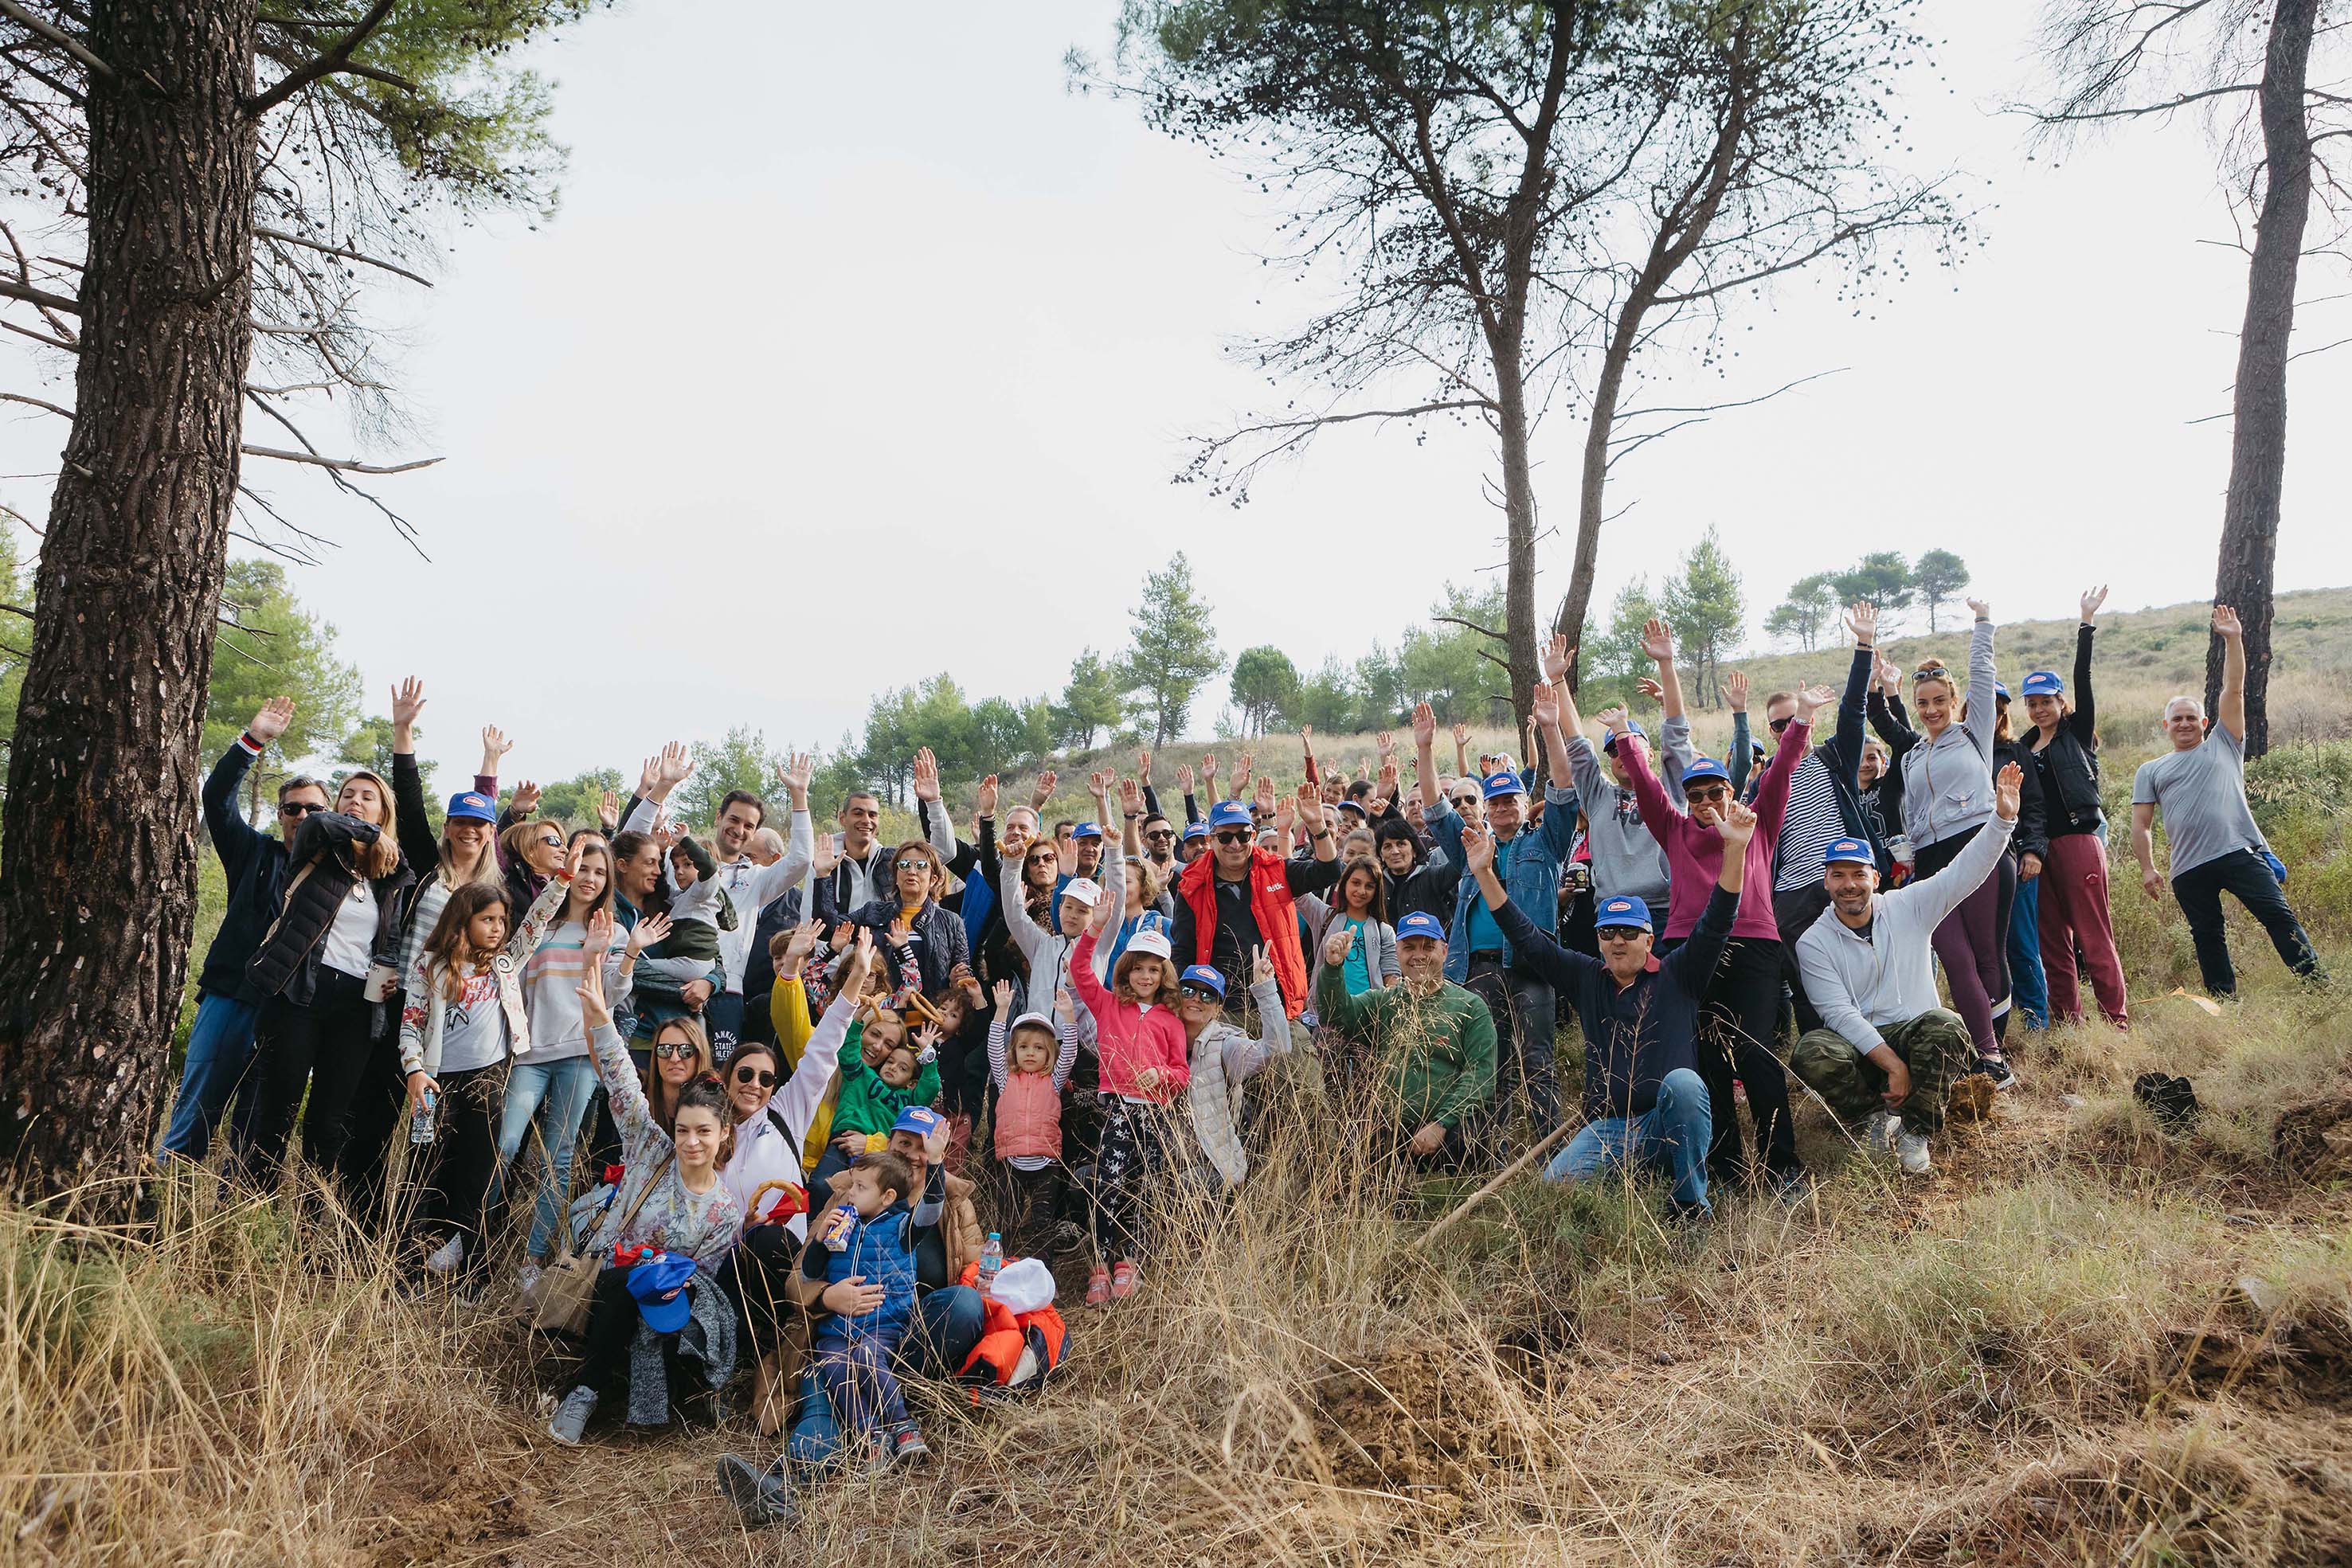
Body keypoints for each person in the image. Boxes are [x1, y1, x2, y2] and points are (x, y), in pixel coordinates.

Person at [1461, 800, 1753, 1220]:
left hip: (1666, 1122)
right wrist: (1486, 874)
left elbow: (1719, 918)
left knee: (1686, 1085)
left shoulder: (1680, 974)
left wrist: (1737, 850)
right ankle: (1631, 1179)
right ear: (1597, 940)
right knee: (1554, 1186)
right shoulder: (1587, 978)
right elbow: (1527, 938)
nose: (1619, 941)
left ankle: (1690, 1202)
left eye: (1630, 933)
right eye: (1608, 932)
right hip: (1610, 1129)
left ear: (1649, 940)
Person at [1607, 673, 1824, 1198]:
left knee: (1754, 1052)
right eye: (1696, 794)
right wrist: (1624, 737)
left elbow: (1781, 771)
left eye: (1714, 791)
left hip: (1753, 943)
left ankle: (1781, 1166)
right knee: (1705, 1057)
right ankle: (1725, 1168)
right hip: (1687, 948)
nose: (1705, 801)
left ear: (1731, 790)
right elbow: (1647, 786)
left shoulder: (1755, 822)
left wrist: (1801, 718)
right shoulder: (1676, 829)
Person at [1791, 763, 2026, 1176]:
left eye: (1858, 875)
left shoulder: (1909, 906)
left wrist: (2002, 819)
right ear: (1825, 882)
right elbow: (1839, 1015)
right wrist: (1893, 1066)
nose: (1850, 885)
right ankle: (1874, 1119)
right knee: (1813, 1051)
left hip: (1918, 1036)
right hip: (1864, 1049)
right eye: (1839, 876)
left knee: (1948, 1024)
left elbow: (1963, 873)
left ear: (1875, 878)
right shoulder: (1813, 942)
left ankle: (1917, 1129)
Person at [548, 963, 742, 1445]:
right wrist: (599, 1015)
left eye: (703, 1132)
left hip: (666, 1307)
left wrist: (667, 1278)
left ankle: (653, 1402)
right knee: (622, 1284)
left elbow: (704, 1278)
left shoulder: (724, 1210)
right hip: (608, 1287)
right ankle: (585, 1393)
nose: (691, 1142)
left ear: (722, 1135)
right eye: (683, 1130)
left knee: (672, 1298)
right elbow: (622, 1083)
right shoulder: (650, 1148)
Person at [2132, 604, 2327, 997]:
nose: (2185, 724)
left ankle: (2320, 988)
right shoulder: (2151, 770)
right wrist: (2148, 868)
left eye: (2192, 718)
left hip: (2238, 852)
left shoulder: (2224, 743)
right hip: (2188, 867)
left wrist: (2234, 639)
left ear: (2205, 723)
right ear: (2166, 726)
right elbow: (2142, 826)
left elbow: (2233, 689)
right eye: (2177, 719)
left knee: (2277, 915)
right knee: (2207, 936)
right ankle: (2226, 1005)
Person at [1414, 695, 1578, 1148]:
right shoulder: (1468, 843)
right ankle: (1491, 1153)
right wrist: (1426, 750)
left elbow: (1564, 789)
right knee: (1489, 1063)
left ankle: (1554, 1157)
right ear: (1485, 808)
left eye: (1511, 799)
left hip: (1530, 965)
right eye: (1496, 801)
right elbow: (1434, 808)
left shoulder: (1546, 843)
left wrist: (1550, 729)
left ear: (1526, 803)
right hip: (1477, 970)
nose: (1504, 807)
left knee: (1538, 1061)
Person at [165, 698, 324, 1162]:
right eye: (292, 809)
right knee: (193, 1119)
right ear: (280, 815)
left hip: (287, 1015)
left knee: (255, 1140)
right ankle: (162, 1209)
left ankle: (229, 1226)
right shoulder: (253, 853)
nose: (302, 817)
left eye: (314, 809)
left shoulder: (340, 879)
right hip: (230, 998)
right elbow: (215, 799)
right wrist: (252, 741)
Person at [242, 765, 409, 1192]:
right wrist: (371, 834)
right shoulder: (317, 850)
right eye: (348, 795)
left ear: (384, 810)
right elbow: (317, 820)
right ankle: (250, 1214)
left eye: (367, 797)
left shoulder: (388, 880)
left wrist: (386, 975)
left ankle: (310, 1232)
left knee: (328, 1125)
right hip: (299, 994)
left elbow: (384, 942)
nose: (355, 801)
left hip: (356, 1005)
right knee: (275, 1113)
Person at [397, 864, 569, 1278]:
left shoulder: (505, 963)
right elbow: (411, 1023)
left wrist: (561, 881)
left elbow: (536, 921)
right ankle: (407, 1266)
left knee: (477, 1174)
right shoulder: (432, 966)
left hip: (488, 1080)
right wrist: (414, 1070)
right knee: (425, 1171)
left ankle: (473, 1272)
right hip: (437, 1084)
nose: (496, 928)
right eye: (486, 920)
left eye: (501, 921)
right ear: (463, 921)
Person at [1873, 600, 2017, 1086]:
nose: (1932, 711)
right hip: (1931, 861)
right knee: (1952, 956)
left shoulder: (1973, 736)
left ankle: (1995, 1048)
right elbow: (1909, 806)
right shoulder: (1913, 755)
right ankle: (1987, 1052)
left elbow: (1982, 675)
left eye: (1940, 701)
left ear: (1954, 702)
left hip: (1980, 846)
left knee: (1985, 957)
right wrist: (1880, 682)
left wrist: (1982, 625)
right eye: (1924, 704)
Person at [499, 841, 656, 1264]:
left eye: (599, 872)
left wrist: (629, 954)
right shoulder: (542, 924)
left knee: (559, 1157)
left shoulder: (612, 930)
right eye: (583, 868)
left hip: (579, 1054)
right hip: (530, 1052)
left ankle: (532, 1261)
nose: (590, 878)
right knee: (505, 1143)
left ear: (608, 881)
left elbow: (613, 994)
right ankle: (473, 1235)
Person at [624, 748, 816, 1058]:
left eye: (748, 826)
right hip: (671, 986)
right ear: (718, 817)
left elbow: (801, 860)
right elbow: (629, 842)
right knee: (667, 1075)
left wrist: (798, 795)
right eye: (734, 819)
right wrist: (662, 787)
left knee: (716, 1079)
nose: (739, 830)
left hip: (726, 991)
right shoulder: (681, 863)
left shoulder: (757, 878)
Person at [2018, 587, 2130, 1027]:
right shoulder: (2023, 748)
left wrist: (2086, 624)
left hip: (2081, 842)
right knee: (2053, 944)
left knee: (2093, 937)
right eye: (2033, 702)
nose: (2040, 708)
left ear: (2061, 702)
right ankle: (2068, 1026)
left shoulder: (2077, 731)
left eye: (2047, 700)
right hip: (2041, 852)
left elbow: (2083, 676)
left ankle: (2116, 1023)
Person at [1070, 897, 1187, 1308]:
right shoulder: (1108, 1005)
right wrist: (1094, 930)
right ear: (1126, 969)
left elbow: (1181, 1072)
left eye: (1154, 969)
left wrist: (1163, 1077)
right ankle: (1099, 1267)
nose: (1145, 976)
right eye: (1138, 967)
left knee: (1144, 1186)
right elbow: (1079, 971)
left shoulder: (1171, 1020)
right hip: (1118, 1107)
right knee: (1109, 1183)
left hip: (1156, 1112)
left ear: (1164, 976)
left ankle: (1128, 1262)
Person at [1312, 909, 1497, 1169]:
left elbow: (1481, 1074)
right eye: (1409, 947)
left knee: (1473, 1135)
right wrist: (1332, 968)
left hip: (1451, 1126)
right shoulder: (1384, 1000)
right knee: (1357, 1152)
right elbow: (1336, 1015)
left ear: (1444, 951)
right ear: (1397, 952)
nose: (1419, 955)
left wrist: (1442, 1123)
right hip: (1391, 1125)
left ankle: (1458, 1195)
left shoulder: (1470, 1006)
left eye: (1428, 947)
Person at [1172, 778, 1340, 1024]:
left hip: (1278, 1004)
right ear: (1211, 840)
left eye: (1243, 835)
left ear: (1253, 835)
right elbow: (1183, 949)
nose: (1235, 845)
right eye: (1225, 837)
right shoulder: (1191, 886)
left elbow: (1329, 872)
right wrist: (1180, 999)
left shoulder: (1277, 870)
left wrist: (1317, 826)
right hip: (1219, 1009)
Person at [1170, 952, 1290, 1193]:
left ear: (1218, 1008)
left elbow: (1276, 1049)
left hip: (1214, 1160)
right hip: (1164, 1154)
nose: (1196, 999)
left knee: (1181, 1186)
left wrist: (1265, 989)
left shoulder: (1226, 1045)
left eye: (1207, 995)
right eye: (1188, 991)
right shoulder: (1158, 1035)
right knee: (1089, 1179)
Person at [984, 980, 1082, 1256]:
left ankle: (1044, 1275)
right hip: (1011, 1162)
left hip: (1046, 1163)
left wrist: (1069, 1018)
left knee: (1043, 1222)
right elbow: (993, 1048)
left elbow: (1070, 1055)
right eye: (1024, 1047)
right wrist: (1001, 1011)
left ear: (1049, 1053)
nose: (1030, 1052)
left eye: (1039, 1048)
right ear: (1013, 1051)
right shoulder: (1005, 1079)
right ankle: (1005, 1270)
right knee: (1007, 1222)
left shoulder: (1052, 1081)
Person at [848, 839, 969, 1003]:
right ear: (896, 875)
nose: (912, 871)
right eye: (904, 865)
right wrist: (822, 876)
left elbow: (964, 976)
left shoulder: (951, 922)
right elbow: (829, 929)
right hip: (878, 1017)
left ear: (933, 879)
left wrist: (957, 980)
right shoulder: (873, 912)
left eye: (921, 866)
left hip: (931, 1020)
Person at [1301, 855, 1398, 997]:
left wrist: (1385, 1010)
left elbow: (1391, 974)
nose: (1361, 891)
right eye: (1356, 883)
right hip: (1326, 1010)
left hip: (1368, 1012)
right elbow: (1298, 894)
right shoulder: (1324, 916)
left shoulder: (1384, 931)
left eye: (1369, 886)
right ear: (1344, 883)